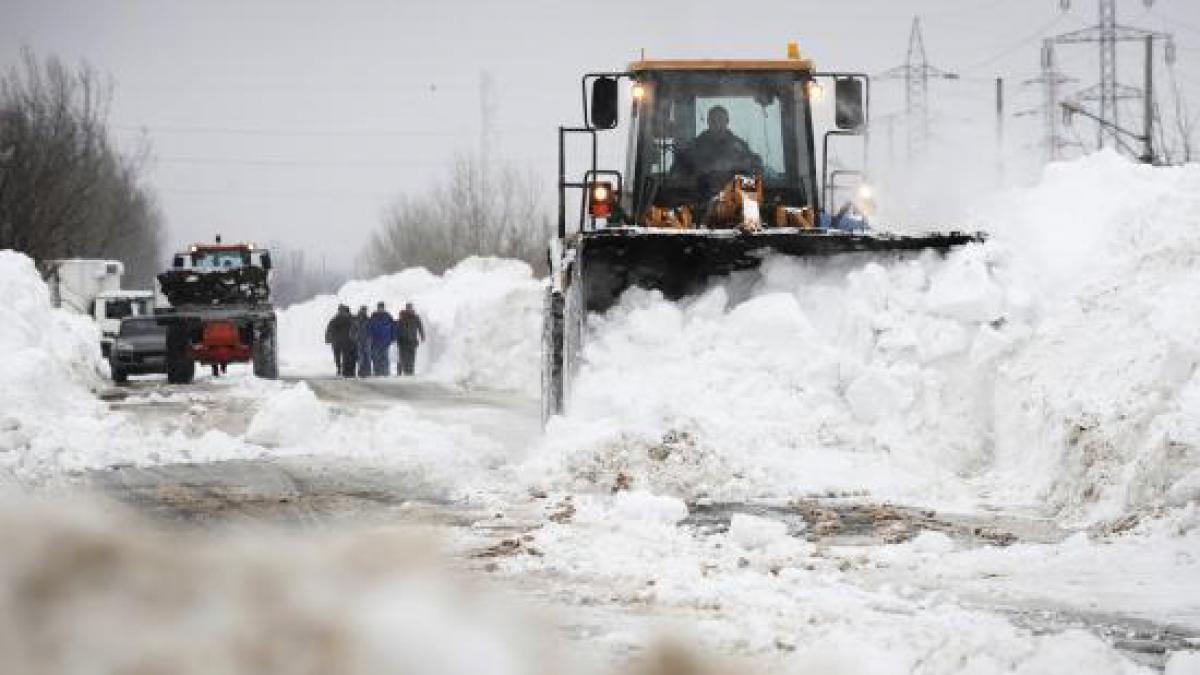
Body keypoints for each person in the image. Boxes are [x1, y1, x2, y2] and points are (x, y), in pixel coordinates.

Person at [672, 105, 762, 198]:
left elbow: (755, 165)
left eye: (720, 120)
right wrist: (698, 172)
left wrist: (740, 165)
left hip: (734, 198)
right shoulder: (695, 146)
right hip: (700, 198)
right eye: (713, 121)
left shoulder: (740, 146)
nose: (717, 124)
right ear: (708, 122)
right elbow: (678, 173)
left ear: (727, 121)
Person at [394, 302, 425, 376]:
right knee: (402, 357)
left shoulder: (416, 317)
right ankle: (399, 372)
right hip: (402, 341)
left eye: (410, 308)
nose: (409, 309)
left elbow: (420, 327)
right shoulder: (402, 317)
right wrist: (396, 338)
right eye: (408, 308)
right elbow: (397, 328)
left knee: (411, 358)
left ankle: (410, 372)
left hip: (412, 341)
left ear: (412, 308)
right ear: (406, 308)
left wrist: (422, 336)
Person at [324, 304, 356, 377]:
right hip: (337, 341)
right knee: (338, 356)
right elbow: (329, 330)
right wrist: (328, 339)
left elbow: (355, 327)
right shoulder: (335, 320)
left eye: (342, 310)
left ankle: (344, 370)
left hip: (346, 341)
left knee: (345, 356)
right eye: (340, 310)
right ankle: (339, 368)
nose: (341, 312)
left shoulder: (350, 319)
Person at [366, 302, 395, 376]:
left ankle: (385, 372)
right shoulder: (374, 316)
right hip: (375, 340)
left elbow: (393, 327)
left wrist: (393, 338)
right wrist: (370, 337)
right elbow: (369, 327)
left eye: (381, 307)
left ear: (383, 308)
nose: (380, 309)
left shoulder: (388, 316)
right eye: (379, 307)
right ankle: (377, 372)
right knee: (376, 357)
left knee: (385, 356)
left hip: (386, 341)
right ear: (377, 308)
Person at [353, 305, 373, 377]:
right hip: (359, 340)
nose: (364, 311)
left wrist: (370, 337)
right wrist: (354, 338)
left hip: (367, 340)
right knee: (361, 357)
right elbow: (352, 330)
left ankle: (368, 371)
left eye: (365, 310)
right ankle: (361, 371)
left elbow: (371, 329)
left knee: (367, 356)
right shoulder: (356, 320)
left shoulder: (368, 319)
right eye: (363, 310)